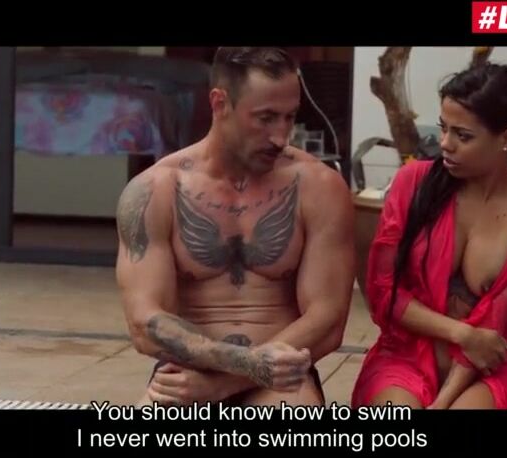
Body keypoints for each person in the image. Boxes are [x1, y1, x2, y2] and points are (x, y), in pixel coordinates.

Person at [116, 47, 355, 407]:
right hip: (189, 375)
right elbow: (145, 323)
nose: (281, 137)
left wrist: (224, 385)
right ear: (220, 103)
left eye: (289, 117)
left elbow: (328, 320)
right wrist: (243, 364)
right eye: (266, 118)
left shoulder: (319, 187)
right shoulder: (156, 190)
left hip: (280, 381)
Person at [351, 62, 507, 410]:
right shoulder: (413, 183)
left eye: (463, 136)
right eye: (443, 129)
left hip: (485, 368)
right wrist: (461, 333)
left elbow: (493, 324)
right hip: (404, 357)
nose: (445, 144)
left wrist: (441, 404)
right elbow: (383, 293)